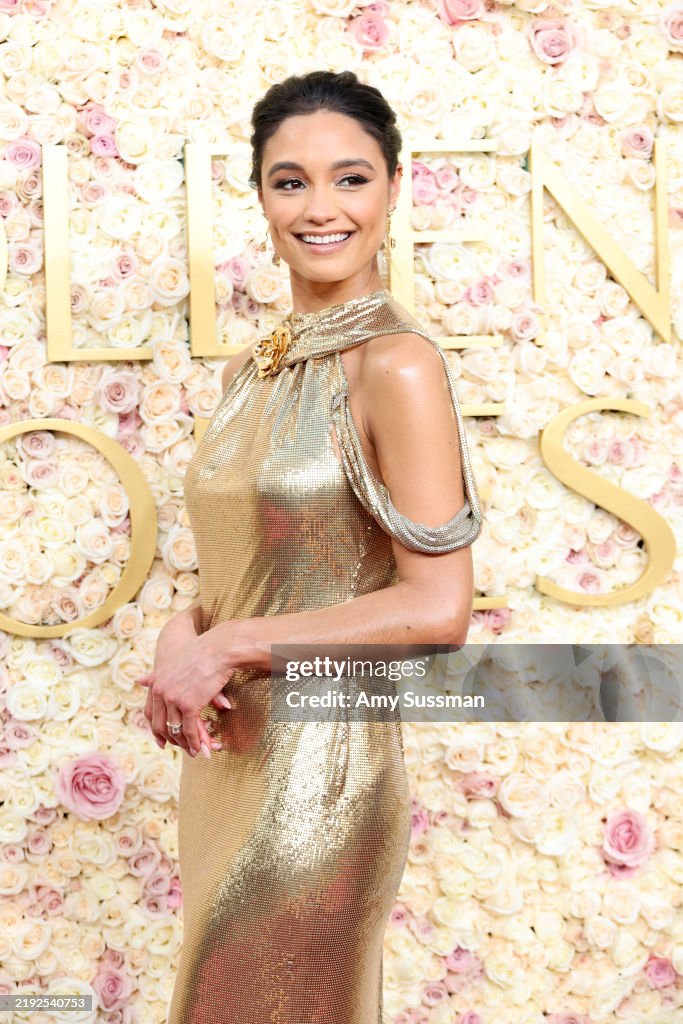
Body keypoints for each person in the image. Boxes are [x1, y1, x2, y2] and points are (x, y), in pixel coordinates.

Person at [138, 69, 483, 1024]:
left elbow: (437, 609)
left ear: (395, 188)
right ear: (259, 197)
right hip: (228, 764)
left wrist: (227, 646)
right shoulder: (254, 371)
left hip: (320, 779)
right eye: (290, 181)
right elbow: (249, 570)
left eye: (351, 178)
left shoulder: (396, 364)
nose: (320, 207)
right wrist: (182, 634)